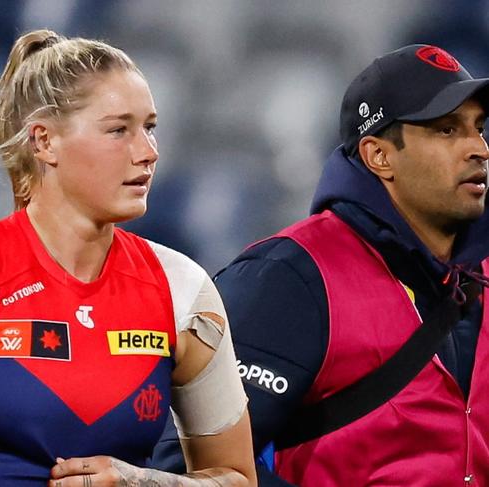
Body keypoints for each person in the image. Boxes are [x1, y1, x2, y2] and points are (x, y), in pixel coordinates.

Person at [0, 29, 257, 487]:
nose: (148, 152)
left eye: (150, 128)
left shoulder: (182, 291)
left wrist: (143, 483)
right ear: (44, 142)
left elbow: (237, 478)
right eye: (119, 130)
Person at [152, 44, 489, 486]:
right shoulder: (291, 277)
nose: (478, 149)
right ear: (379, 155)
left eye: (479, 128)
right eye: (447, 130)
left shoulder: (478, 275)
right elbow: (188, 468)